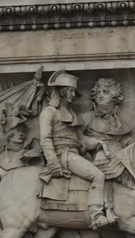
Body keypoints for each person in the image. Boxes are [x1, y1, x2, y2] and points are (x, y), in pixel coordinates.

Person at [37, 71, 112, 229]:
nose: (73, 94)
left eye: (73, 91)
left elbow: (79, 138)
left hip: (74, 153)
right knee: (98, 175)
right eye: (70, 90)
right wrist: (54, 164)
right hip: (63, 155)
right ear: (61, 91)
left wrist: (95, 142)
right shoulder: (49, 112)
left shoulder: (71, 113)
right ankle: (96, 215)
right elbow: (45, 140)